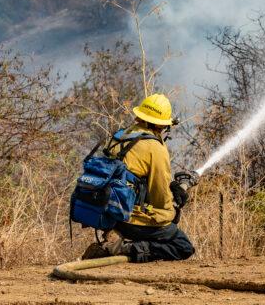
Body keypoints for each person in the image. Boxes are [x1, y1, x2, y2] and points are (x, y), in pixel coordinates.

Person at [82, 93, 198, 263]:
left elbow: (133, 178)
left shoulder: (120, 136)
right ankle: (124, 249)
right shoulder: (154, 148)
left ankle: (118, 239)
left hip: (108, 212)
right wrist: (174, 207)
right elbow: (161, 197)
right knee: (182, 246)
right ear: (161, 125)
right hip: (131, 218)